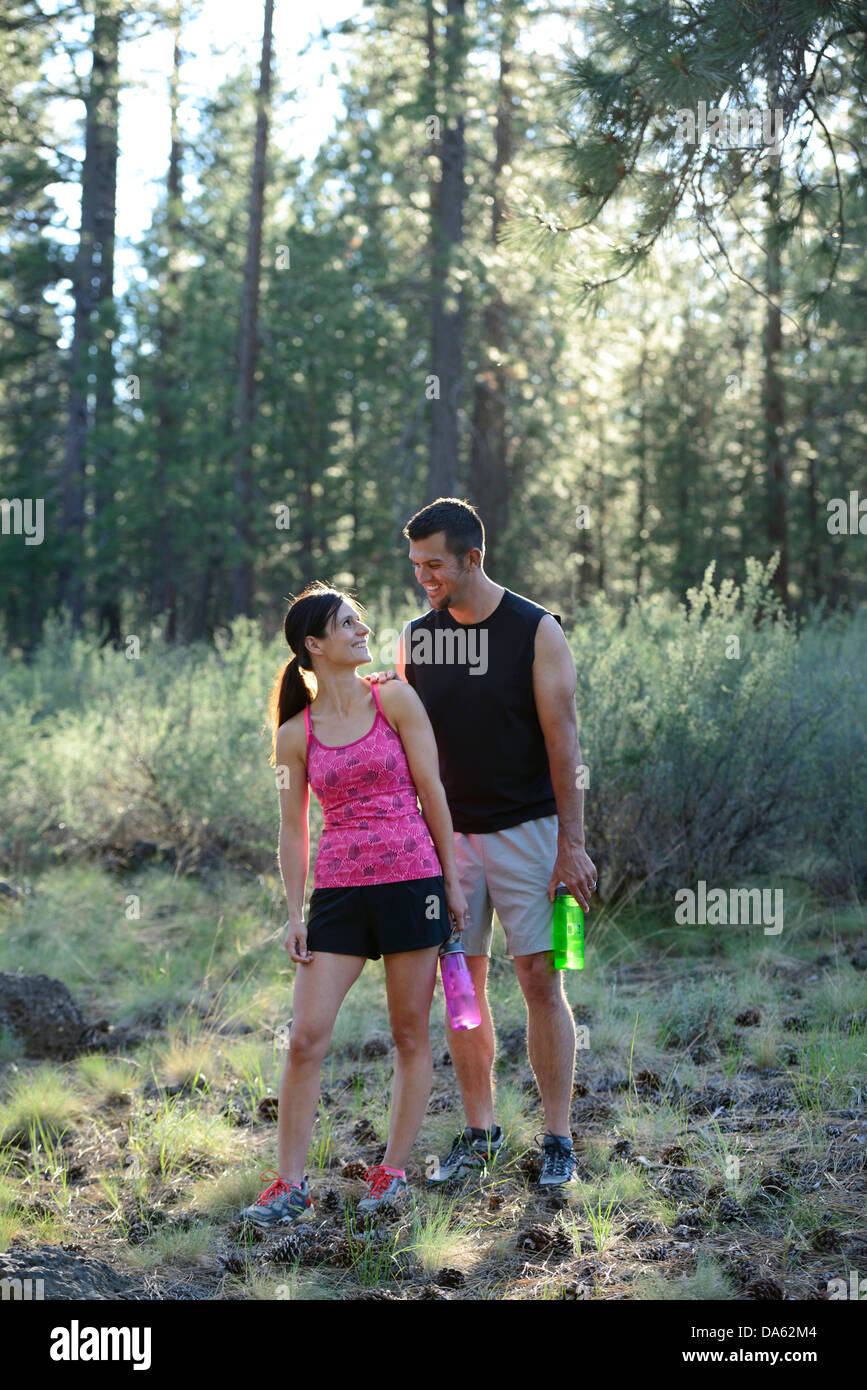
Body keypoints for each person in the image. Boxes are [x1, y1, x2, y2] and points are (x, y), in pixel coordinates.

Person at [370, 498, 597, 1189]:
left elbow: (565, 744)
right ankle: (480, 1132)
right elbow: (408, 746)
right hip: (449, 846)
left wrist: (572, 845)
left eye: (434, 564)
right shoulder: (417, 639)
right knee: (461, 986)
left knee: (540, 979)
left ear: (473, 558)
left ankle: (557, 1137)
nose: (423, 577)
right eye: (415, 566)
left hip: (531, 834)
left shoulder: (536, 630)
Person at [241, 581, 469, 1228]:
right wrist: (293, 914)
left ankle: (391, 1173)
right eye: (347, 624)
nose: (362, 630)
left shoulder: (394, 697)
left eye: (360, 621)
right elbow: (292, 827)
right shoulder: (293, 735)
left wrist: (450, 882)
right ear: (314, 644)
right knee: (305, 1040)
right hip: (338, 894)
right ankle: (288, 1185)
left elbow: (432, 789)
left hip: (410, 881)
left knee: (407, 1033)